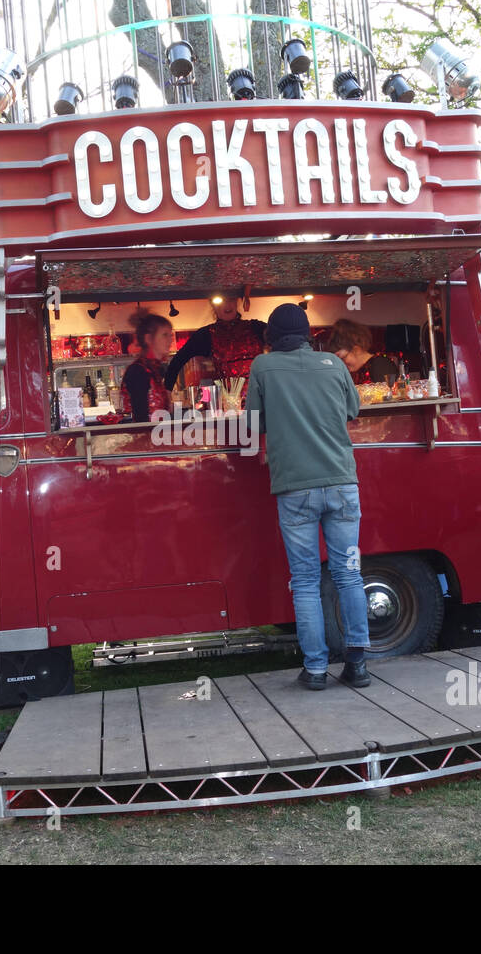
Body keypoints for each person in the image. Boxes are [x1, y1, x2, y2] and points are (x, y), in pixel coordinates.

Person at [247, 302, 371, 691]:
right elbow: (353, 409)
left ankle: (316, 669)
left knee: (304, 580)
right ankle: (358, 665)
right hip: (341, 484)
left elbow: (254, 423)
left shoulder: (262, 367)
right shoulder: (335, 365)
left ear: (271, 337)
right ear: (307, 335)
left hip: (295, 489)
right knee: (348, 574)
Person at [163, 296, 267, 391]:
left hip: (261, 399)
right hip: (229, 405)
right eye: (220, 301)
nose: (227, 305)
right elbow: (177, 361)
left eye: (230, 299)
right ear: (213, 305)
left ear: (237, 302)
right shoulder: (206, 335)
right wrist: (167, 391)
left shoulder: (256, 328)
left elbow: (282, 338)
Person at [122, 309, 174, 422]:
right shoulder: (138, 371)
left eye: (171, 335)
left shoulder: (154, 369)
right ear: (148, 339)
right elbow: (141, 418)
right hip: (147, 437)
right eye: (165, 335)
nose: (171, 340)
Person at [324, 319, 399, 383]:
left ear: (356, 349)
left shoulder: (380, 365)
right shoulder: (354, 372)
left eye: (343, 358)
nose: (341, 364)